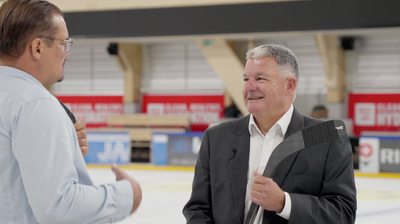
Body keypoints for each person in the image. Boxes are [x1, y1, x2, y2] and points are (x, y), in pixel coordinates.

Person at [0, 0, 141, 223]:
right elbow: (58, 208)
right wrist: (127, 195)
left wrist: (60, 154)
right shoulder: (35, 103)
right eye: (63, 43)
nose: (67, 53)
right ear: (37, 47)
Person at [183, 44, 357, 224]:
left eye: (260, 78)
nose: (249, 87)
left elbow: (342, 214)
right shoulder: (216, 138)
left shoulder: (326, 138)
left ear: (289, 85)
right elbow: (197, 209)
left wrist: (284, 203)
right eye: (245, 79)